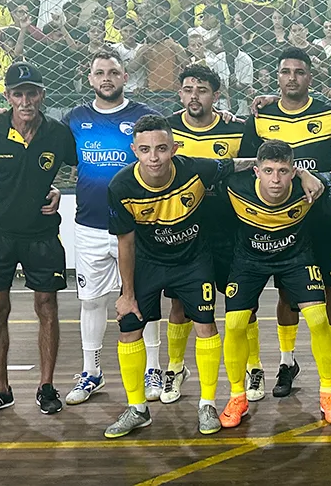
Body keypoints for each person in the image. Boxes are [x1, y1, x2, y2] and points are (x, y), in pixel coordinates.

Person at [104, 115, 255, 438]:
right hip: (148, 263)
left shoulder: (196, 169)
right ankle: (137, 409)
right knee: (129, 326)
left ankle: (207, 403)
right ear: (134, 150)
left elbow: (240, 164)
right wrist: (126, 293)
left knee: (205, 325)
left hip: (193, 261)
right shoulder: (120, 186)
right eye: (145, 150)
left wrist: (293, 169)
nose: (154, 157)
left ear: (174, 148)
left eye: (161, 148)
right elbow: (125, 243)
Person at [239, 47, 331, 398]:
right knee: (287, 293)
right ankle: (286, 361)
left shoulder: (330, 114)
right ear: (277, 77)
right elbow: (248, 161)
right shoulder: (260, 116)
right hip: (280, 221)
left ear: (310, 77)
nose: (291, 77)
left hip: (321, 216)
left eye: (298, 72)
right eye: (285, 72)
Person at [0, 62, 77, 419]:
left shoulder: (58, 133)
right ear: (7, 96)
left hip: (41, 235)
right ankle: (0, 389)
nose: (25, 100)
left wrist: (58, 189)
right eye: (17, 93)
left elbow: (76, 167)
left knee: (47, 307)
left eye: (32, 93)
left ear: (42, 94)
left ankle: (46, 386)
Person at [219, 140, 331, 428]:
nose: (275, 179)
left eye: (282, 171)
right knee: (234, 324)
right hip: (249, 260)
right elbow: (199, 170)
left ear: (293, 171)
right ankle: (236, 395)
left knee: (317, 318)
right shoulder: (234, 185)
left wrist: (308, 175)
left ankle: (327, 391)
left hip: (296, 257)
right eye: (268, 171)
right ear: (256, 171)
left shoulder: (309, 186)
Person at [60, 51, 164, 406]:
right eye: (100, 72)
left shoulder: (144, 117)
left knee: (143, 298)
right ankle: (92, 371)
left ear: (125, 77)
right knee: (91, 302)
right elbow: (55, 156)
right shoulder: (74, 118)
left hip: (136, 225)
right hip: (89, 224)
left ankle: (154, 368)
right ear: (90, 78)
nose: (107, 78)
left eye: (114, 72)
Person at [165, 64, 247, 401]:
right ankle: (174, 368)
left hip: (228, 228)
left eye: (202, 90)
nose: (194, 96)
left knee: (240, 303)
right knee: (180, 305)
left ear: (216, 95)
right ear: (180, 94)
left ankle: (252, 368)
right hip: (183, 231)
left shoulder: (237, 130)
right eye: (188, 89)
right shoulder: (167, 130)